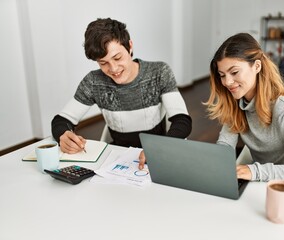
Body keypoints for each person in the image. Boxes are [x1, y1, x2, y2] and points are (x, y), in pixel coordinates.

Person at [51, 18, 192, 169]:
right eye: (103, 63)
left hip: (159, 156)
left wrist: (160, 147)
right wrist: (63, 135)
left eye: (117, 58)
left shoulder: (159, 73)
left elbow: (182, 121)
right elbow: (61, 120)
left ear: (130, 46)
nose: (113, 69)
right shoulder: (93, 82)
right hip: (118, 157)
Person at [205, 33, 284, 184]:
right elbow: (225, 148)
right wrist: (213, 164)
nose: (227, 82)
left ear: (257, 66)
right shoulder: (236, 105)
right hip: (261, 184)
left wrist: (256, 171)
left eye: (234, 72)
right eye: (222, 75)